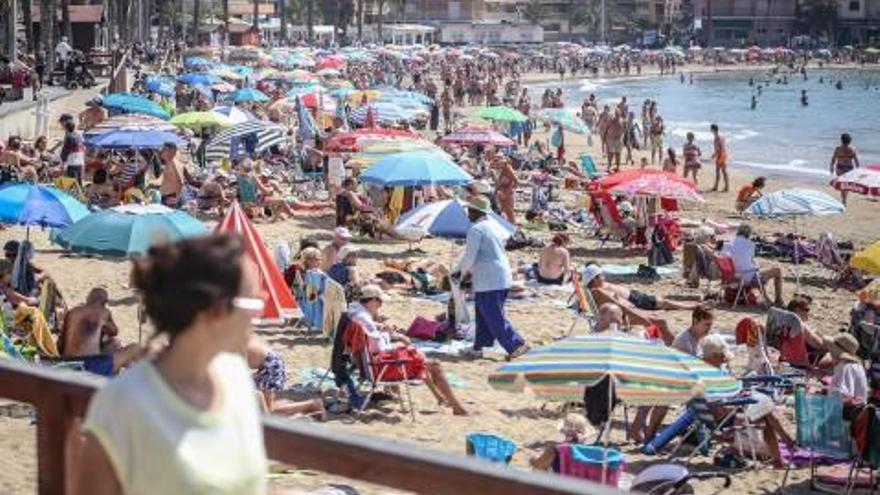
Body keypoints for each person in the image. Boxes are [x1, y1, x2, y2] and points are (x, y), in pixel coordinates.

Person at [75, 235, 268, 494]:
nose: (259, 315)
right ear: (214, 312)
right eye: (254, 302)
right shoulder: (124, 403)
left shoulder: (237, 378)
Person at [348, 285, 468, 415]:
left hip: (369, 365)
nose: (380, 306)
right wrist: (391, 336)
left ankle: (440, 398)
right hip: (381, 367)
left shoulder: (355, 313)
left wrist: (382, 328)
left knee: (417, 355)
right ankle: (457, 407)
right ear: (373, 301)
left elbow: (371, 338)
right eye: (380, 302)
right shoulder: (364, 319)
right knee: (434, 365)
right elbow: (379, 347)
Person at [456, 197, 528, 360]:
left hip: (490, 278)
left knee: (492, 315)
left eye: (470, 210)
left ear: (475, 211)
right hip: (499, 275)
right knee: (482, 313)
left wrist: (461, 274)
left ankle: (516, 345)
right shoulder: (495, 226)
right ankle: (478, 346)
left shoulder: (476, 229)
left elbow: (470, 257)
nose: (468, 213)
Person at [582, 264, 708, 345]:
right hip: (626, 315)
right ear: (594, 279)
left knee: (660, 319)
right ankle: (677, 349)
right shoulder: (598, 291)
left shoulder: (594, 291)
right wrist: (641, 316)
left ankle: (675, 345)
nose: (603, 278)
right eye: (600, 276)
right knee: (661, 321)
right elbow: (620, 306)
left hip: (627, 312)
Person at [58, 288, 143, 376]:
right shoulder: (103, 312)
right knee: (134, 348)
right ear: (104, 303)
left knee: (112, 345)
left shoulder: (72, 312)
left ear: (87, 298)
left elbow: (60, 345)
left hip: (68, 364)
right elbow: (114, 331)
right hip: (91, 366)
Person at [246, 336, 325, 418]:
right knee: (265, 404)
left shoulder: (237, 343)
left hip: (270, 365)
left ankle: (311, 405)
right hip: (269, 362)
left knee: (268, 410)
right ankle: (302, 407)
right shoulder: (240, 338)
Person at [723, 224, 784, 306]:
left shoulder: (727, 243)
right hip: (746, 277)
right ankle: (778, 299)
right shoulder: (750, 244)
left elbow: (726, 259)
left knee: (757, 272)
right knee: (777, 271)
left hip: (731, 276)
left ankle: (766, 297)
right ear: (748, 234)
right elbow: (751, 261)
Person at [530, 413, 594, 471]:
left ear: (563, 430)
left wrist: (534, 458)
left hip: (557, 480)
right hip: (576, 479)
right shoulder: (585, 450)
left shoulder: (558, 448)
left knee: (535, 460)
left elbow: (539, 464)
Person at [827, 333, 868, 410]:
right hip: (855, 413)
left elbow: (842, 396)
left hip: (845, 416)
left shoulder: (845, 367)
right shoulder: (854, 366)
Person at [830, 133, 860, 205]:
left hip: (839, 168)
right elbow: (856, 161)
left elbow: (833, 159)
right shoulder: (852, 149)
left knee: (843, 185)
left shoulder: (838, 149)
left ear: (841, 140)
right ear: (850, 141)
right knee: (846, 185)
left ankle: (844, 199)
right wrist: (858, 170)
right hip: (849, 169)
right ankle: (844, 198)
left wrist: (831, 167)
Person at [59, 115, 86, 185]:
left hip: (72, 162)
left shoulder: (69, 136)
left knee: (71, 183)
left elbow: (66, 150)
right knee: (79, 182)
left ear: (66, 127)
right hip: (80, 161)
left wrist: (63, 160)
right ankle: (80, 194)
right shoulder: (79, 135)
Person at [159, 141, 186, 207]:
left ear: (170, 151)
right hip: (166, 196)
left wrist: (176, 198)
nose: (161, 152)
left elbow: (180, 182)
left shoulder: (175, 164)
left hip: (172, 197)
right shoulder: (168, 164)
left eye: (164, 150)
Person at [710, 124, 729, 192]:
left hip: (720, 155)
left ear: (713, 129)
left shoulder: (717, 137)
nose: (711, 131)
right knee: (723, 172)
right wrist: (715, 154)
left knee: (719, 171)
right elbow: (722, 147)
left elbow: (719, 148)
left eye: (711, 129)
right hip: (722, 155)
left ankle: (718, 187)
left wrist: (716, 154)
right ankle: (725, 186)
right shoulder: (721, 136)